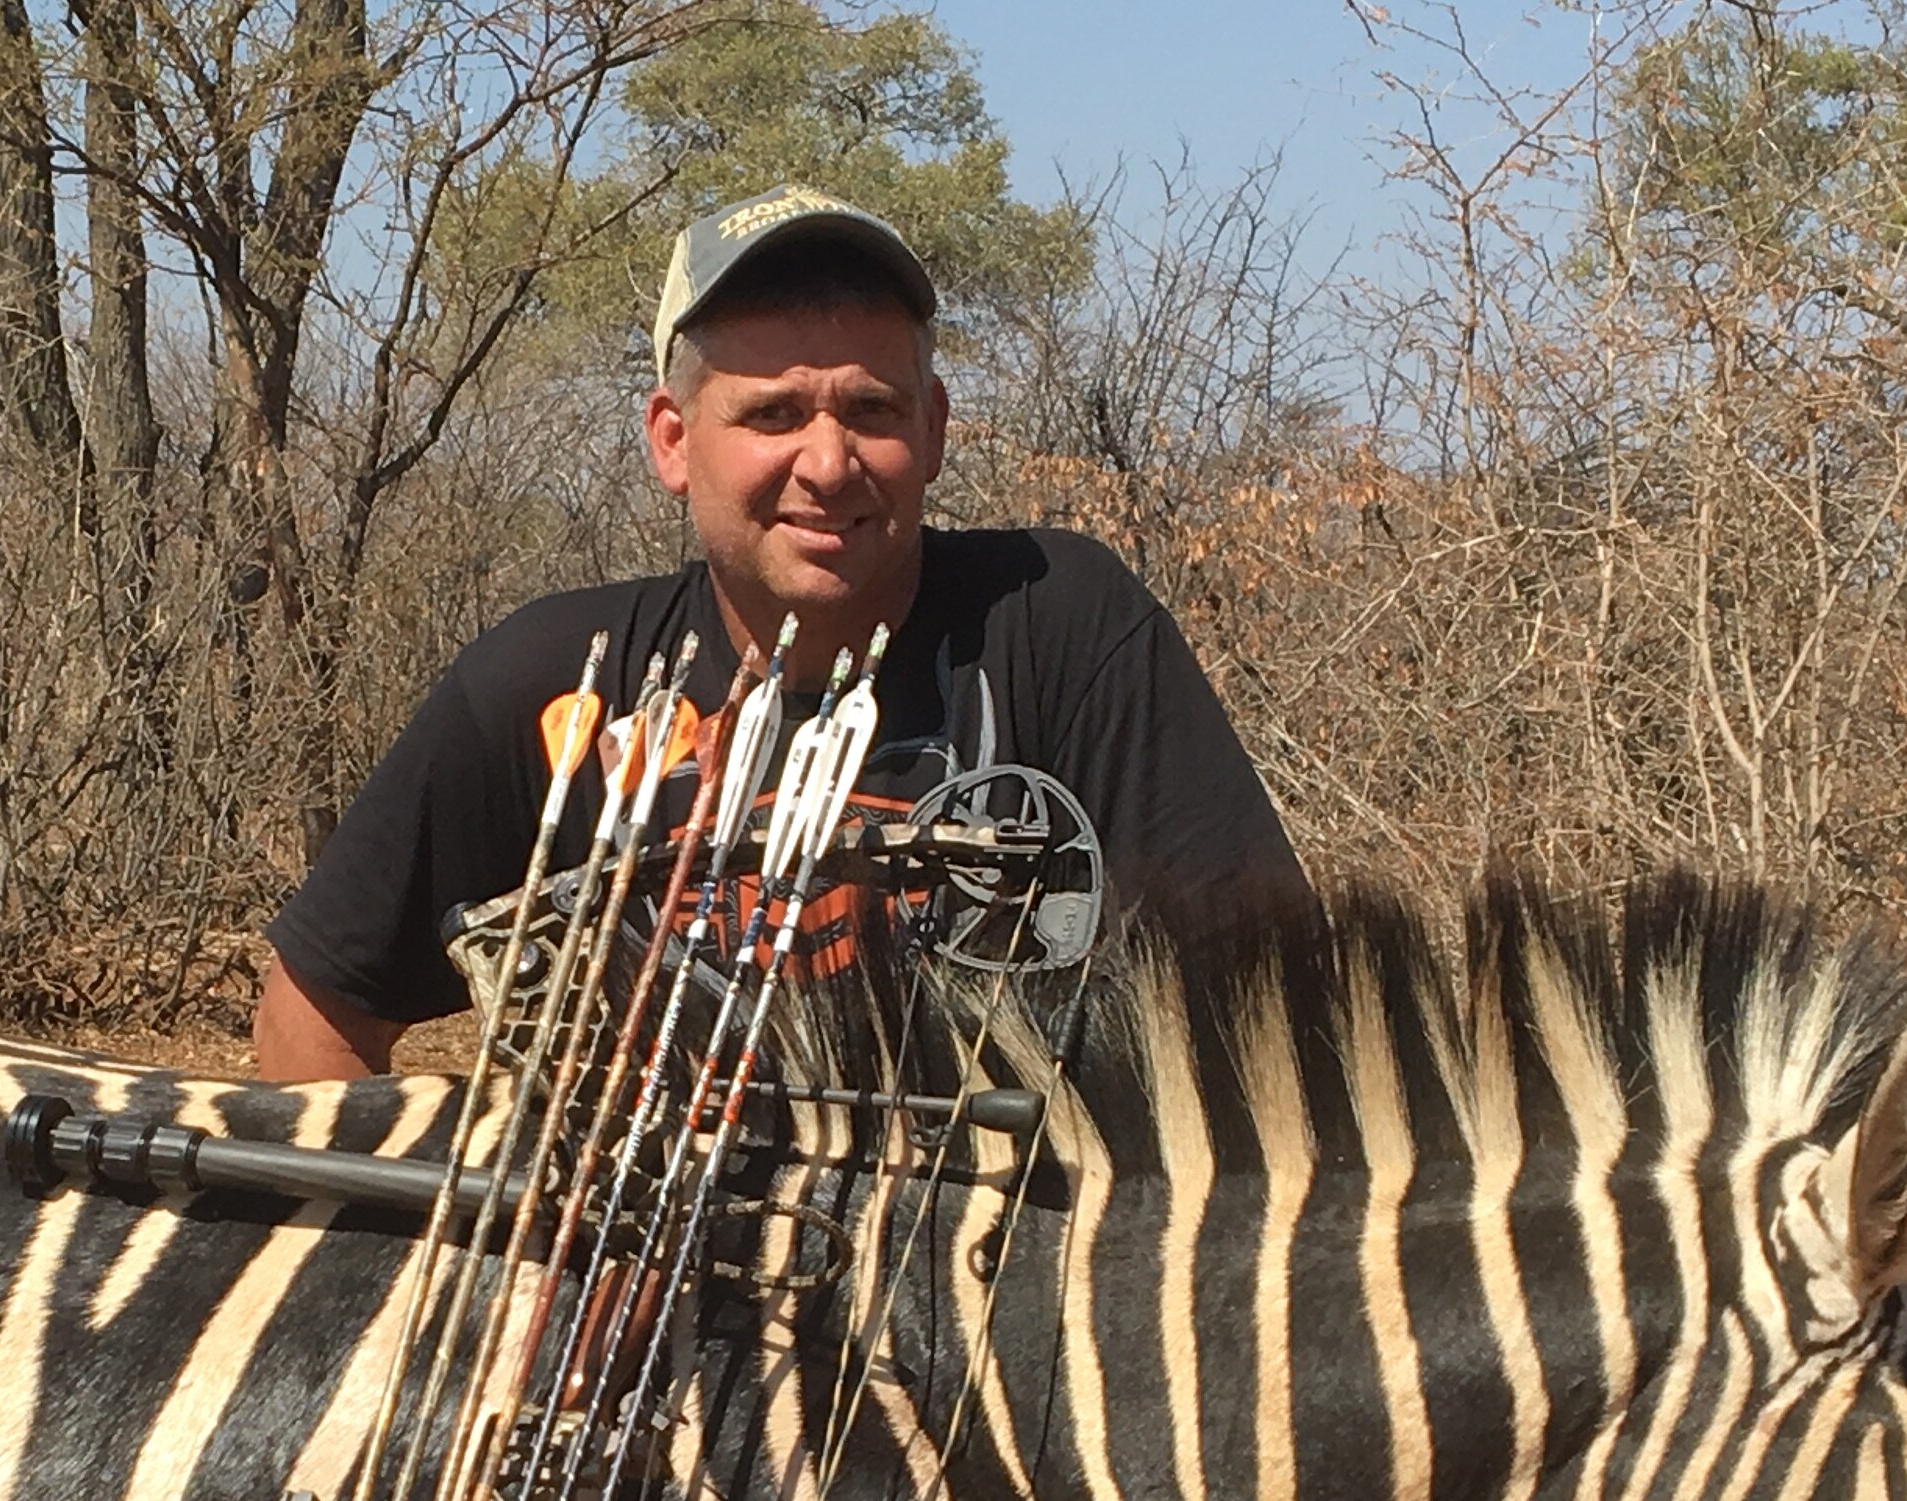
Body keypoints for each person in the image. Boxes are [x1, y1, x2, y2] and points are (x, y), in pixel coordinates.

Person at [254, 185, 1306, 1079]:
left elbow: (1276, 1017)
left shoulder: (1058, 626)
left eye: (873, 410)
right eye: (772, 414)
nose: (829, 461)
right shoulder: (553, 687)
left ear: (934, 430)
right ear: (673, 442)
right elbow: (319, 1007)